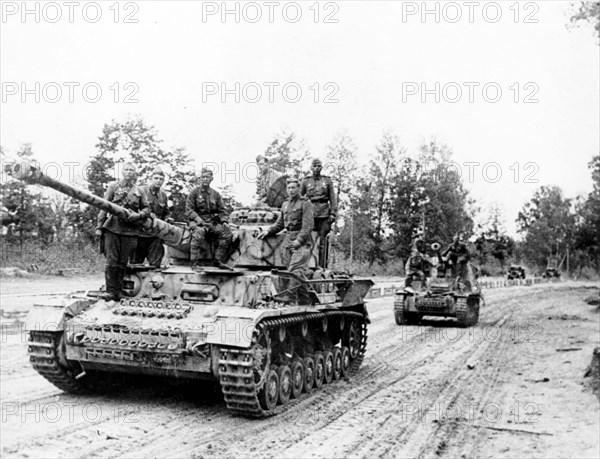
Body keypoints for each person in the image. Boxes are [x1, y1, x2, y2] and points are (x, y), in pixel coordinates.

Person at [96, 162, 151, 301]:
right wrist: (99, 227)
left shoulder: (139, 191)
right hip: (113, 228)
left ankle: (118, 291)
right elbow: (104, 205)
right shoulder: (113, 187)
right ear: (122, 172)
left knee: (122, 262)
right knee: (111, 261)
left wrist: (138, 216)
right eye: (126, 169)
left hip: (130, 230)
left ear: (135, 173)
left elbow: (146, 208)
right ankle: (110, 290)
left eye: (132, 170)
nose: (129, 172)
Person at [258, 178, 314, 274]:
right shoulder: (285, 204)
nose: (291, 190)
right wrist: (268, 231)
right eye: (288, 188)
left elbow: (308, 225)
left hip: (301, 243)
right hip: (288, 241)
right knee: (288, 273)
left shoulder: (305, 203)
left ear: (298, 188)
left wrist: (299, 240)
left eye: (293, 187)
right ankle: (307, 285)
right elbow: (280, 224)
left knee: (294, 272)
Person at [185, 168, 233, 269]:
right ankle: (194, 263)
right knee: (198, 233)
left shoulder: (215, 195)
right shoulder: (194, 193)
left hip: (211, 222)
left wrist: (224, 221)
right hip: (197, 221)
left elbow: (222, 210)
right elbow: (189, 210)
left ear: (211, 179)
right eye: (203, 177)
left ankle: (218, 260)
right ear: (200, 179)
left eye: (207, 177)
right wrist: (198, 220)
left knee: (227, 234)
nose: (205, 179)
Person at [131, 166, 172, 268]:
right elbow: (133, 209)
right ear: (151, 179)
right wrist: (147, 214)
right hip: (140, 234)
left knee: (155, 266)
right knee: (135, 265)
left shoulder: (163, 195)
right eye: (156, 178)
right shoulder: (140, 190)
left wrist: (168, 218)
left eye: (161, 179)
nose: (158, 181)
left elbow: (166, 212)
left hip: (155, 235)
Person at [300, 158, 337, 268]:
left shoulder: (327, 181)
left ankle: (321, 266)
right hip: (310, 214)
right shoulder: (306, 181)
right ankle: (307, 265)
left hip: (324, 214)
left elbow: (332, 198)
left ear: (321, 168)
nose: (316, 168)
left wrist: (333, 213)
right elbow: (301, 198)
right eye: (314, 166)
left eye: (318, 166)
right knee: (307, 240)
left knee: (322, 241)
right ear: (311, 168)